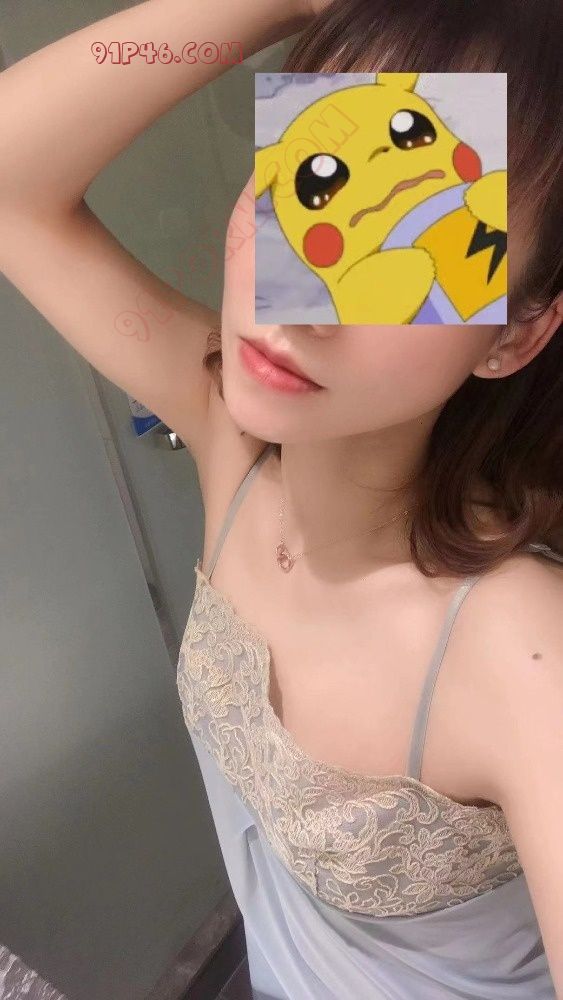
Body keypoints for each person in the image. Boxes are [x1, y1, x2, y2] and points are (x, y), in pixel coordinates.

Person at [0, 0, 561, 997]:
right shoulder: (233, 433)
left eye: (415, 247)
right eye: (314, 178)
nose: (308, 294)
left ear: (510, 337)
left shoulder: (519, 649)